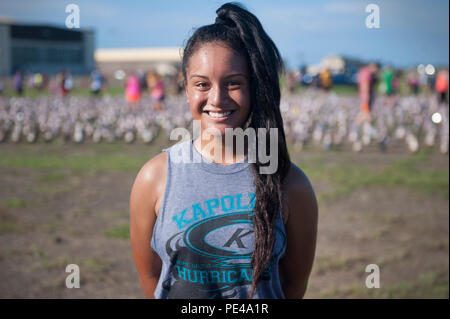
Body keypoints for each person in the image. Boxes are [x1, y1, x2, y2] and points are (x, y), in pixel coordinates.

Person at [130, 3, 318, 299]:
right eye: (202, 84)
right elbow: (150, 276)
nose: (216, 99)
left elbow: (294, 284)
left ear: (255, 87)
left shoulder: (291, 184)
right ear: (186, 88)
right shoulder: (154, 178)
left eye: (233, 83)